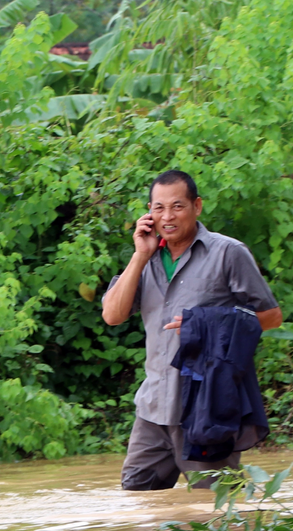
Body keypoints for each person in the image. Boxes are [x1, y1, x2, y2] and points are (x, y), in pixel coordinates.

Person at [101, 170, 282, 491]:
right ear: (149, 212)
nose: (167, 217)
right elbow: (113, 315)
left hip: (206, 408)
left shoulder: (228, 253)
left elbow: (271, 316)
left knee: (215, 514)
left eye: (177, 206)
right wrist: (139, 255)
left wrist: (210, 322)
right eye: (159, 208)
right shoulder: (146, 259)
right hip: (153, 410)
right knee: (136, 506)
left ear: (197, 206)